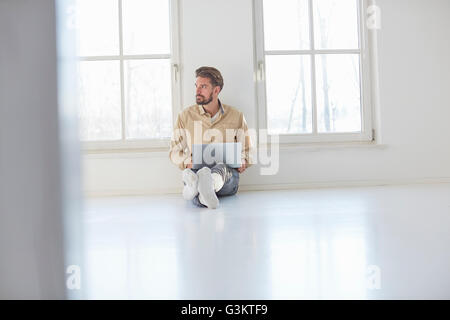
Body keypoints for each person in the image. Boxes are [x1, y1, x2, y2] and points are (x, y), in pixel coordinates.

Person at [169, 66, 253, 209]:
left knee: (219, 168)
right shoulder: (185, 116)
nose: (197, 91)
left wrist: (243, 160)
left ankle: (195, 189)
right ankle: (201, 191)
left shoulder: (236, 116)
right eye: (196, 86)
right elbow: (174, 152)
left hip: (227, 177)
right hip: (196, 170)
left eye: (203, 86)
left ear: (216, 90)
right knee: (194, 174)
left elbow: (248, 150)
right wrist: (187, 162)